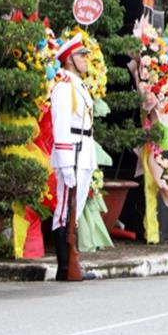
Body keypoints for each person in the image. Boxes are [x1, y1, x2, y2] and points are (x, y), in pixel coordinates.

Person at [49, 34, 97, 281]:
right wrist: (66, 162)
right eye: (81, 55)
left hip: (84, 150)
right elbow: (60, 127)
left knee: (74, 210)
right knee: (64, 210)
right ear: (69, 59)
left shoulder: (78, 85)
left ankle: (71, 264)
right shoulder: (64, 87)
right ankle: (65, 266)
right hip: (72, 153)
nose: (85, 59)